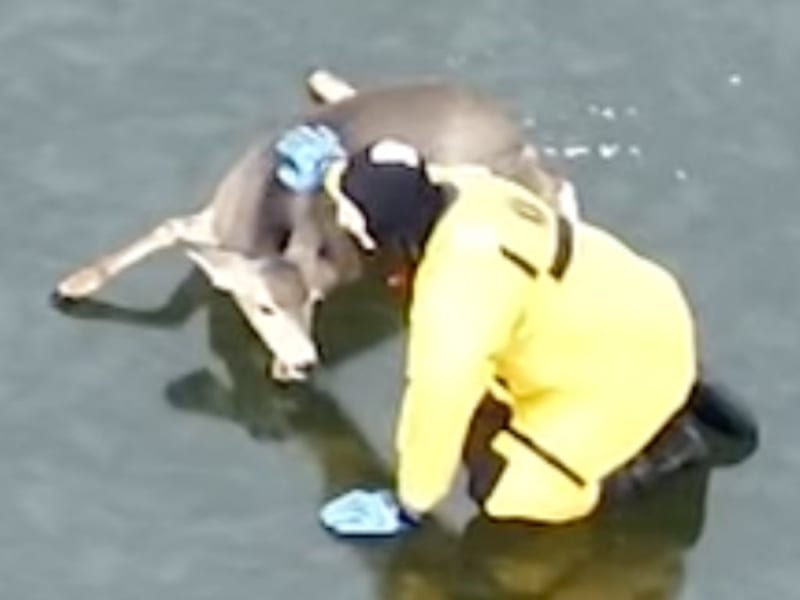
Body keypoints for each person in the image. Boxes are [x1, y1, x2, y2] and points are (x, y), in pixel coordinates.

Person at [273, 124, 743, 537]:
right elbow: (397, 189)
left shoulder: (456, 292)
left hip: (613, 383)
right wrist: (337, 170)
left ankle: (655, 454)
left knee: (499, 489)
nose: (348, 227)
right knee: (502, 384)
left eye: (355, 224)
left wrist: (410, 502)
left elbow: (440, 394)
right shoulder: (473, 192)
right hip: (650, 313)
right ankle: (673, 383)